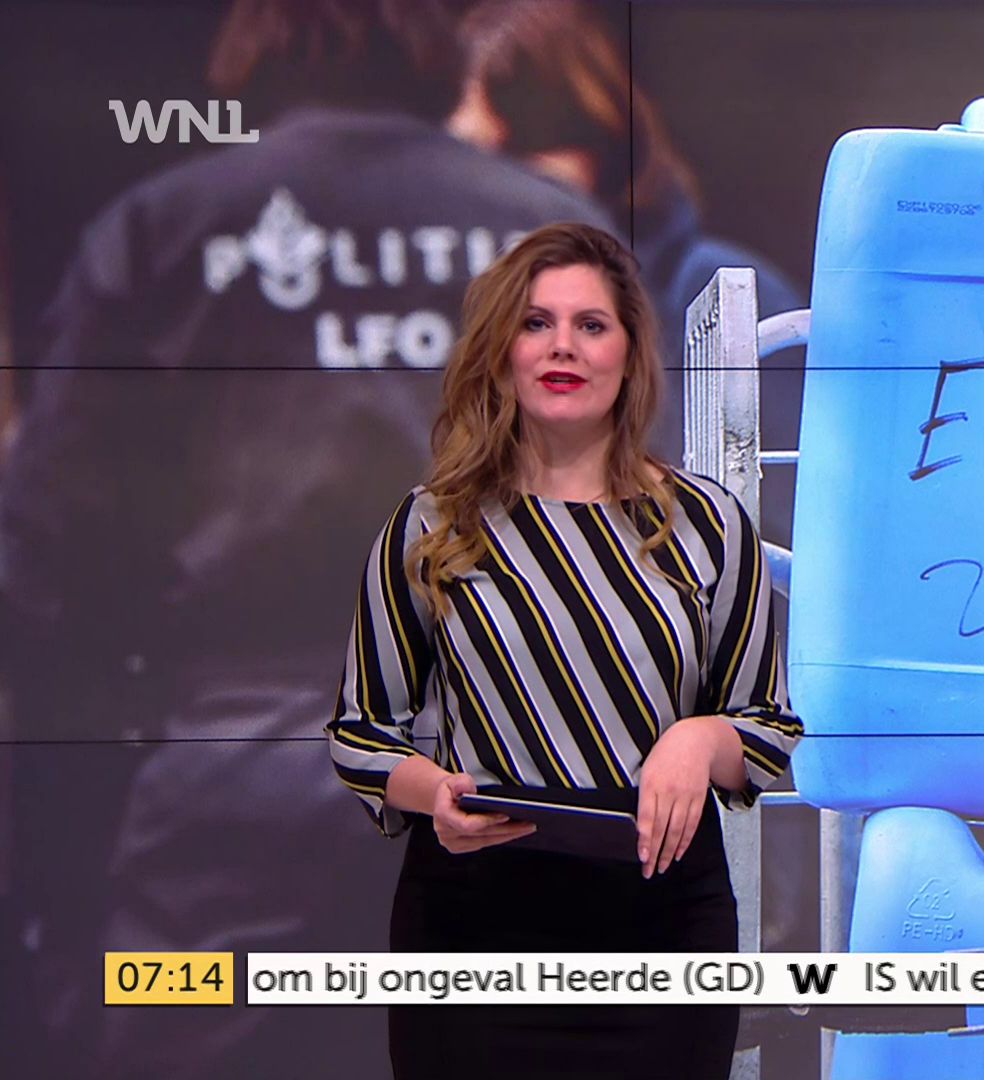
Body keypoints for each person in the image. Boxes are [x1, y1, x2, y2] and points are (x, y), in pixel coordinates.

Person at [0, 2, 626, 1075]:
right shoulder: (548, 234)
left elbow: (51, 554)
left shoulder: (166, 229)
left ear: (252, 53)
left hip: (231, 787)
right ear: (442, 55)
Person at [326, 221, 802, 1079]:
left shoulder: (708, 526)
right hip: (474, 925)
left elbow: (766, 728)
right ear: (502, 350)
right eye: (536, 322)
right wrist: (434, 795)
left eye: (591, 325)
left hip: (661, 925)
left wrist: (698, 739)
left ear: (630, 353)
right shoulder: (433, 525)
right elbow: (362, 732)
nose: (563, 347)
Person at [446, 0, 807, 541]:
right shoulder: (444, 316)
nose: (506, 191)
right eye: (475, 162)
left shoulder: (721, 296)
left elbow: (789, 541)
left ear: (608, 143)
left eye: (527, 142)